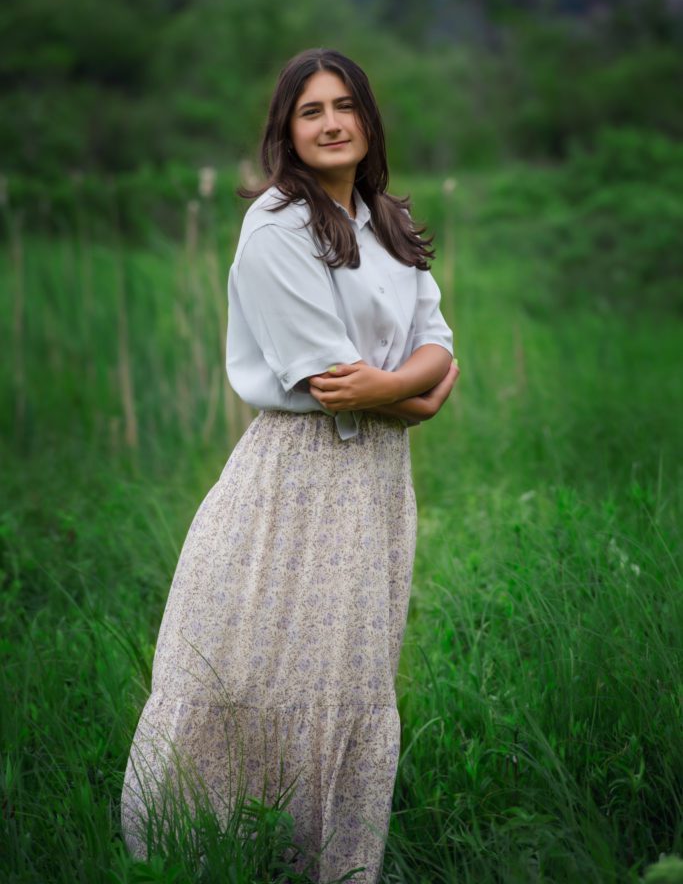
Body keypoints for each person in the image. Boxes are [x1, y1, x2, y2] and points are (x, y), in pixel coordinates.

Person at [121, 48, 459, 882]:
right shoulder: (276, 225)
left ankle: (333, 864)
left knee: (345, 679)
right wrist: (408, 393)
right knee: (259, 667)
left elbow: (440, 347)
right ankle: (205, 852)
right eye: (311, 110)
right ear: (287, 130)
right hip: (299, 474)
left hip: (377, 481)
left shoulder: (387, 221)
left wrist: (402, 386)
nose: (332, 122)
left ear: (368, 120)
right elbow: (333, 382)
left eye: (346, 105)